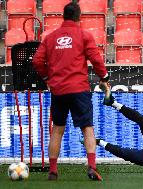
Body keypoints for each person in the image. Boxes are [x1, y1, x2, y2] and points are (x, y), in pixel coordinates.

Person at [32, 2, 109, 181]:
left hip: (58, 90)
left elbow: (37, 61)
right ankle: (92, 167)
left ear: (63, 16)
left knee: (57, 129)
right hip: (79, 89)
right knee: (87, 129)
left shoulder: (51, 37)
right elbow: (96, 59)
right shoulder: (84, 35)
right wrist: (104, 77)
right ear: (79, 16)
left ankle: (52, 171)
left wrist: (47, 79)